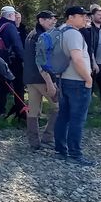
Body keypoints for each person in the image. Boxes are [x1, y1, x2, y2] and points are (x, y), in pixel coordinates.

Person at [54, 6, 96, 166]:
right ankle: (74, 154)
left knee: (63, 116)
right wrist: (88, 79)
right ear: (70, 17)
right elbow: (77, 59)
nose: (85, 18)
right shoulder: (73, 34)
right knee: (77, 119)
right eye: (81, 15)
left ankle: (60, 150)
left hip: (63, 79)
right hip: (77, 81)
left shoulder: (60, 31)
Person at [23, 11, 59, 150]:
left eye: (53, 19)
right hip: (42, 78)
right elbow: (42, 62)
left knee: (33, 111)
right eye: (49, 19)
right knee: (59, 107)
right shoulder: (41, 36)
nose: (52, 21)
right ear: (41, 20)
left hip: (30, 78)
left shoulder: (31, 34)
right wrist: (50, 82)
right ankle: (48, 137)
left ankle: (33, 142)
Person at [0, 6, 25, 116]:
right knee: (18, 86)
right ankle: (21, 111)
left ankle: (0, 111)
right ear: (11, 15)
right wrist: (24, 59)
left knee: (3, 85)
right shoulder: (10, 26)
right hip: (12, 61)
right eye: (14, 14)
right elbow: (17, 45)